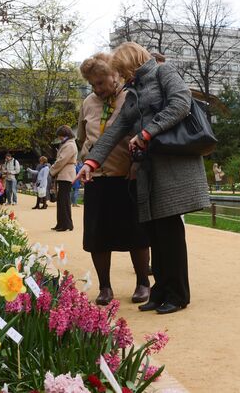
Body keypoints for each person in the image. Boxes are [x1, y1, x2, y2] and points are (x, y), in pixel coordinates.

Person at [76, 42, 210, 314]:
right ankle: (159, 291)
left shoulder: (164, 73)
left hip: (171, 166)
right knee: (155, 233)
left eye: (122, 70)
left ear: (130, 61)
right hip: (149, 170)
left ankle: (177, 294)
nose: (121, 76)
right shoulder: (134, 91)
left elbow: (181, 103)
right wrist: (91, 161)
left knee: (170, 232)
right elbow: (117, 131)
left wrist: (147, 132)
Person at [77, 53, 151, 306]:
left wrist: (137, 164)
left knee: (136, 233)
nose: (97, 89)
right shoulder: (88, 102)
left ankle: (143, 282)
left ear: (115, 75)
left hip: (126, 175)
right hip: (97, 178)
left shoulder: (131, 97)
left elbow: (144, 133)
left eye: (101, 82)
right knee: (98, 236)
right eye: (92, 84)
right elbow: (82, 137)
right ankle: (105, 287)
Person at [50, 125, 78, 232]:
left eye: (61, 136)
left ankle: (67, 224)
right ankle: (61, 223)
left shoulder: (69, 145)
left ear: (66, 135)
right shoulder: (67, 144)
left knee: (64, 200)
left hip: (66, 174)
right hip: (64, 174)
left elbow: (61, 160)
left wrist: (52, 170)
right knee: (61, 200)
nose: (60, 138)